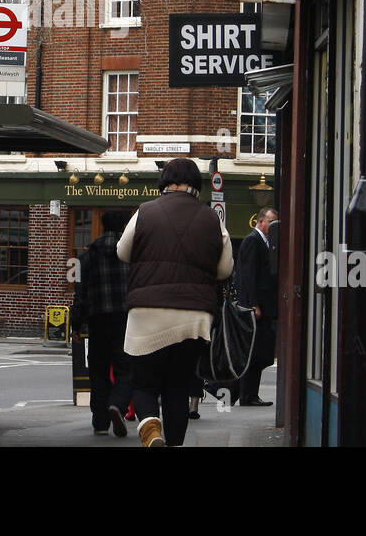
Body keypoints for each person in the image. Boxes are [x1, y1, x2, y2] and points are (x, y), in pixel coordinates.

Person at [117, 158, 233, 447]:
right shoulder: (212, 219)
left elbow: (122, 251)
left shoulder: (145, 212)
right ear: (196, 184)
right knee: (177, 387)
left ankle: (151, 431)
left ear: (165, 182)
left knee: (144, 383)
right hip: (192, 317)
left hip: (147, 312)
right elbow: (224, 269)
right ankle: (175, 444)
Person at [71, 209, 133, 436]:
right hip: (126, 319)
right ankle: (117, 404)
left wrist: (75, 325)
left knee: (97, 370)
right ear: (124, 227)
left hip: (97, 319)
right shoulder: (132, 254)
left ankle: (100, 421)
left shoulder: (86, 256)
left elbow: (80, 294)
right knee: (126, 367)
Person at [237, 206, 278, 406]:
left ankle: (250, 394)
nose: (273, 226)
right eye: (271, 222)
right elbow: (248, 275)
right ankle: (247, 395)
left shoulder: (267, 243)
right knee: (253, 352)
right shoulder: (253, 241)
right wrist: (253, 304)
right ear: (260, 221)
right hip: (256, 307)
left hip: (264, 305)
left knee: (260, 352)